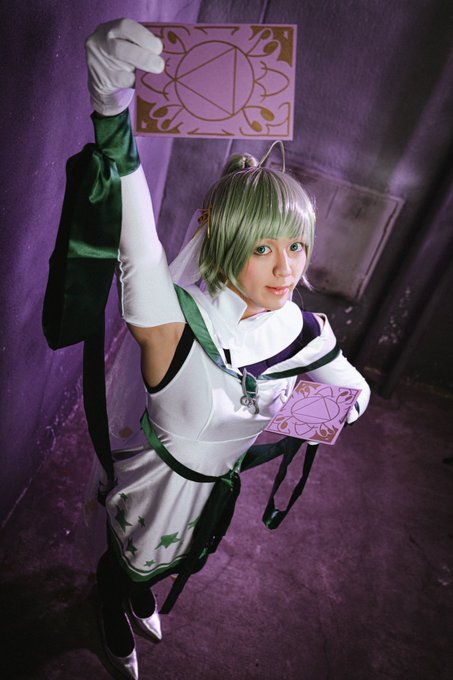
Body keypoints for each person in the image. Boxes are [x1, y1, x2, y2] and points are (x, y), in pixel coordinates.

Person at [51, 18, 371, 680]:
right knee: (128, 556)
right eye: (263, 247)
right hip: (155, 482)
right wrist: (110, 102)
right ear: (225, 244)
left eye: (296, 245)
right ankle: (112, 603)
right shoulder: (174, 321)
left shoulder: (301, 331)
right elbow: (136, 236)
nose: (286, 267)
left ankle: (138, 593)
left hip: (214, 489)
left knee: (175, 560)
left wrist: (286, 416)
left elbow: (356, 394)